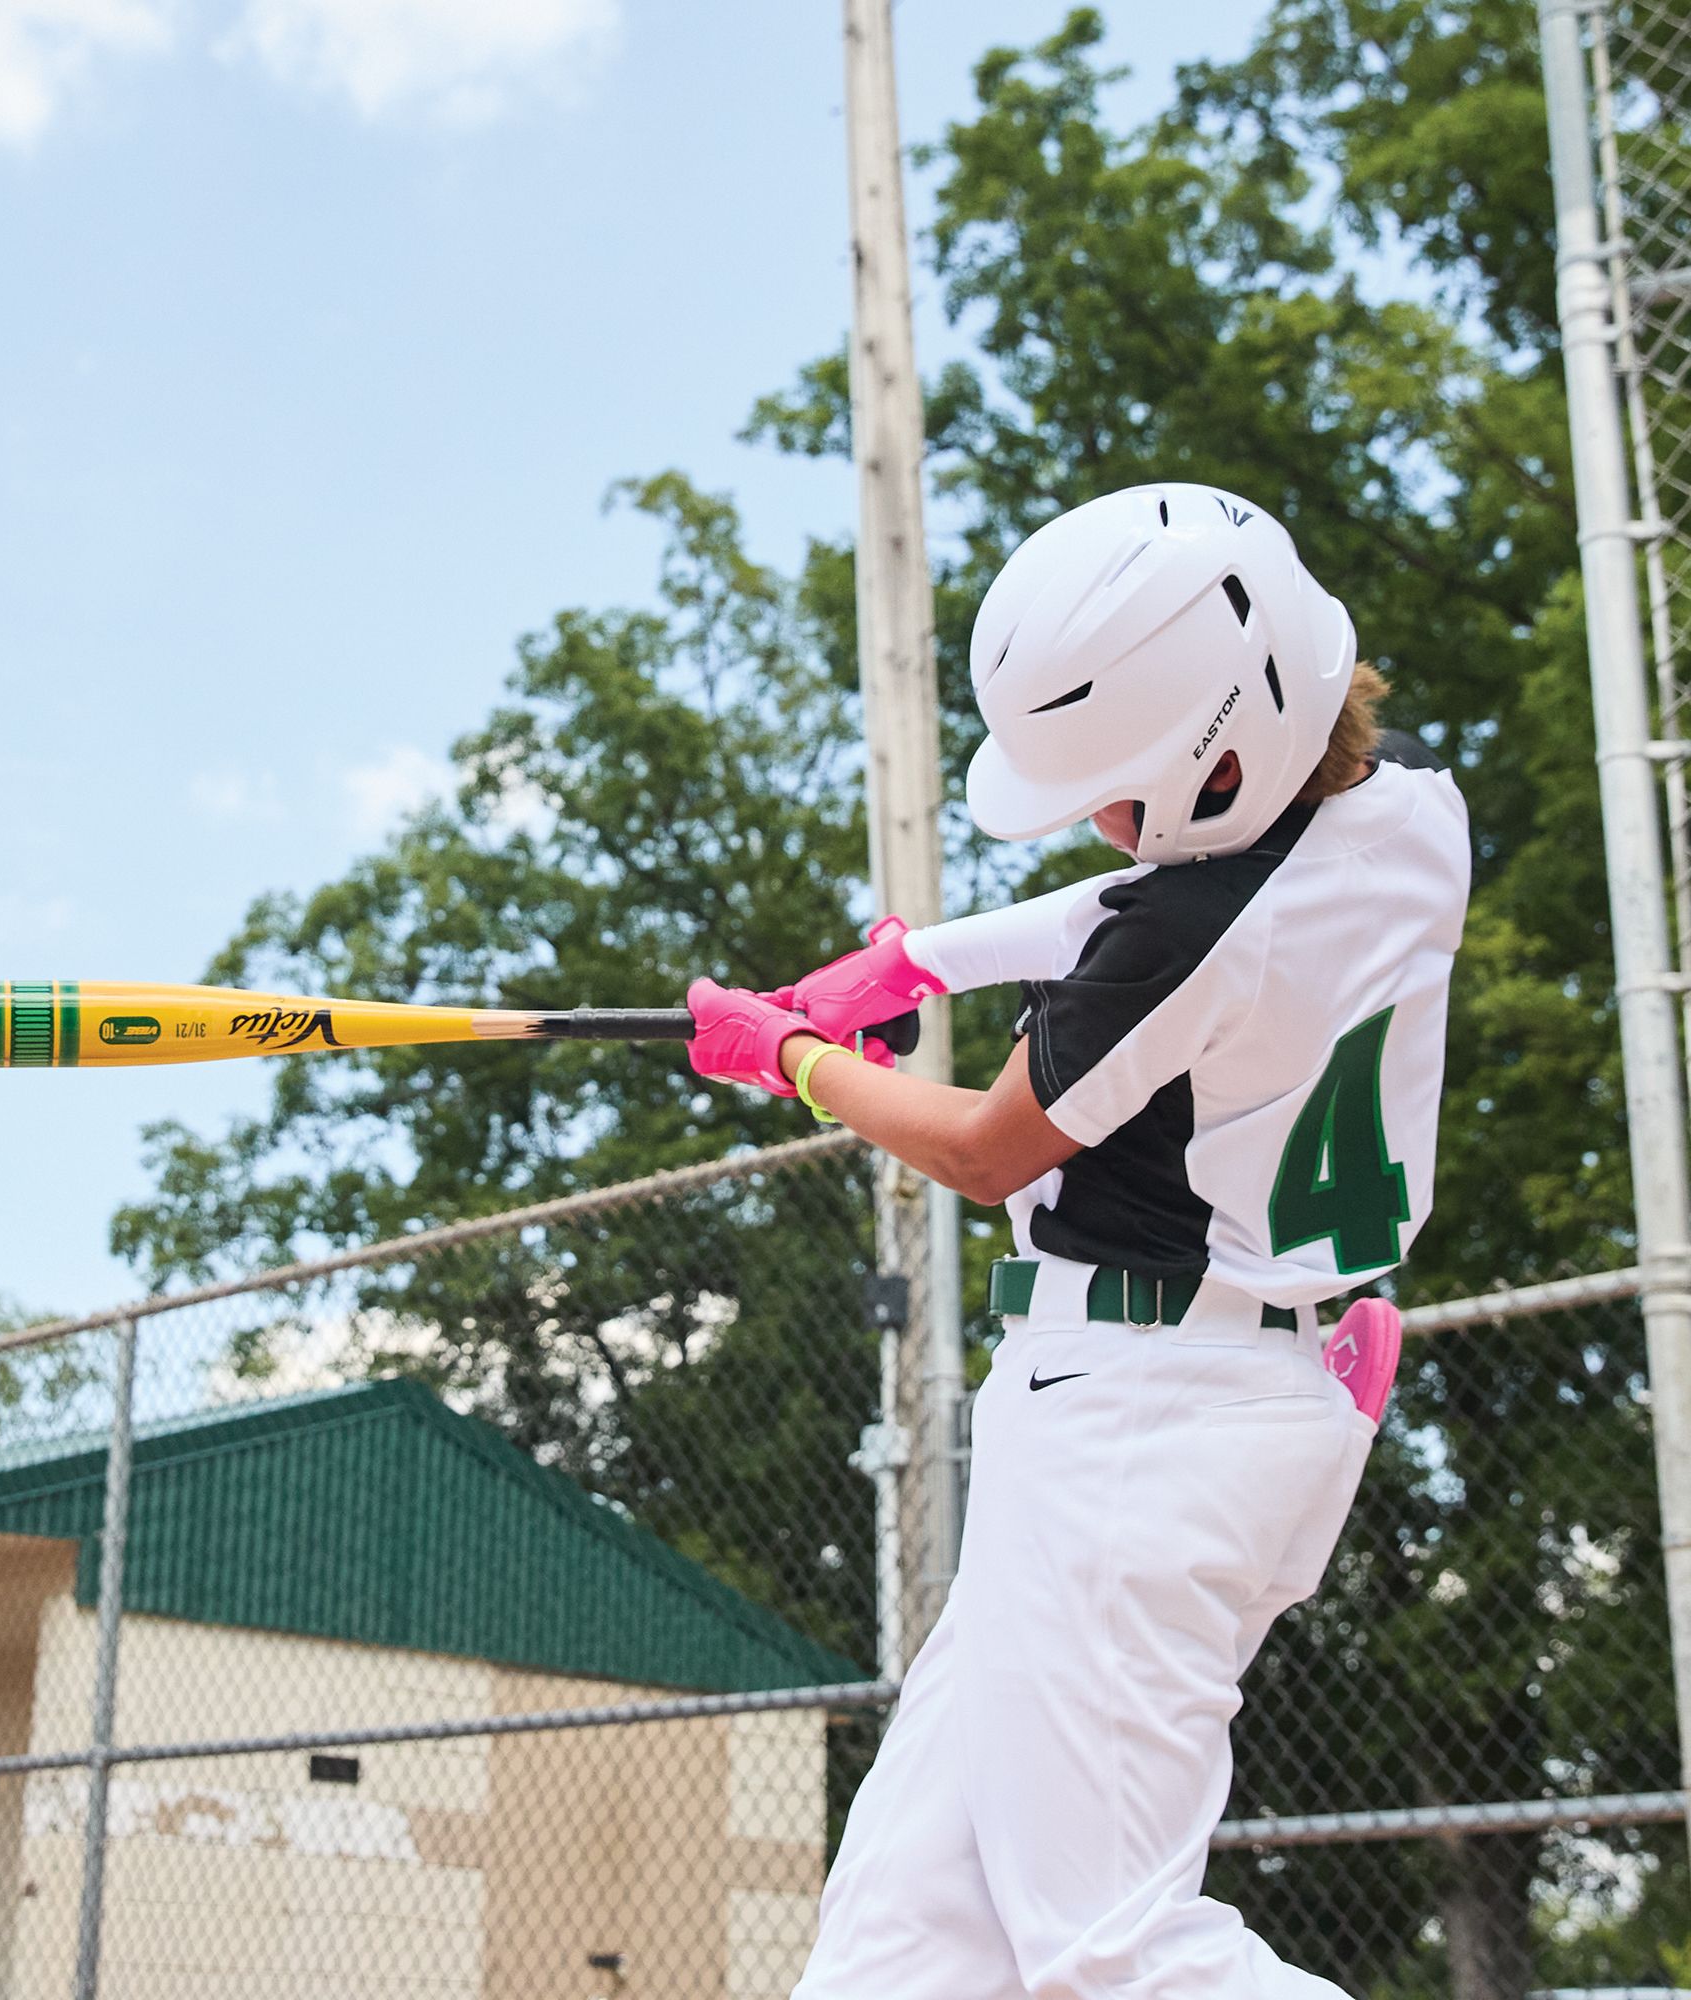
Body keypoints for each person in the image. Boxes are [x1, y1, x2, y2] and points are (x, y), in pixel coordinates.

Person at [684, 482, 1470, 2000]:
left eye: (1120, 787)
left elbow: (987, 1150)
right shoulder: (1410, 809)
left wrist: (790, 1059)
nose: (1104, 822)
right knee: (907, 1933)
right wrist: (918, 959)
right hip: (1236, 1391)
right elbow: (1139, 899)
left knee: (1109, 1947)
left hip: (1142, 1417)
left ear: (1225, 751)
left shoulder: (1192, 940)